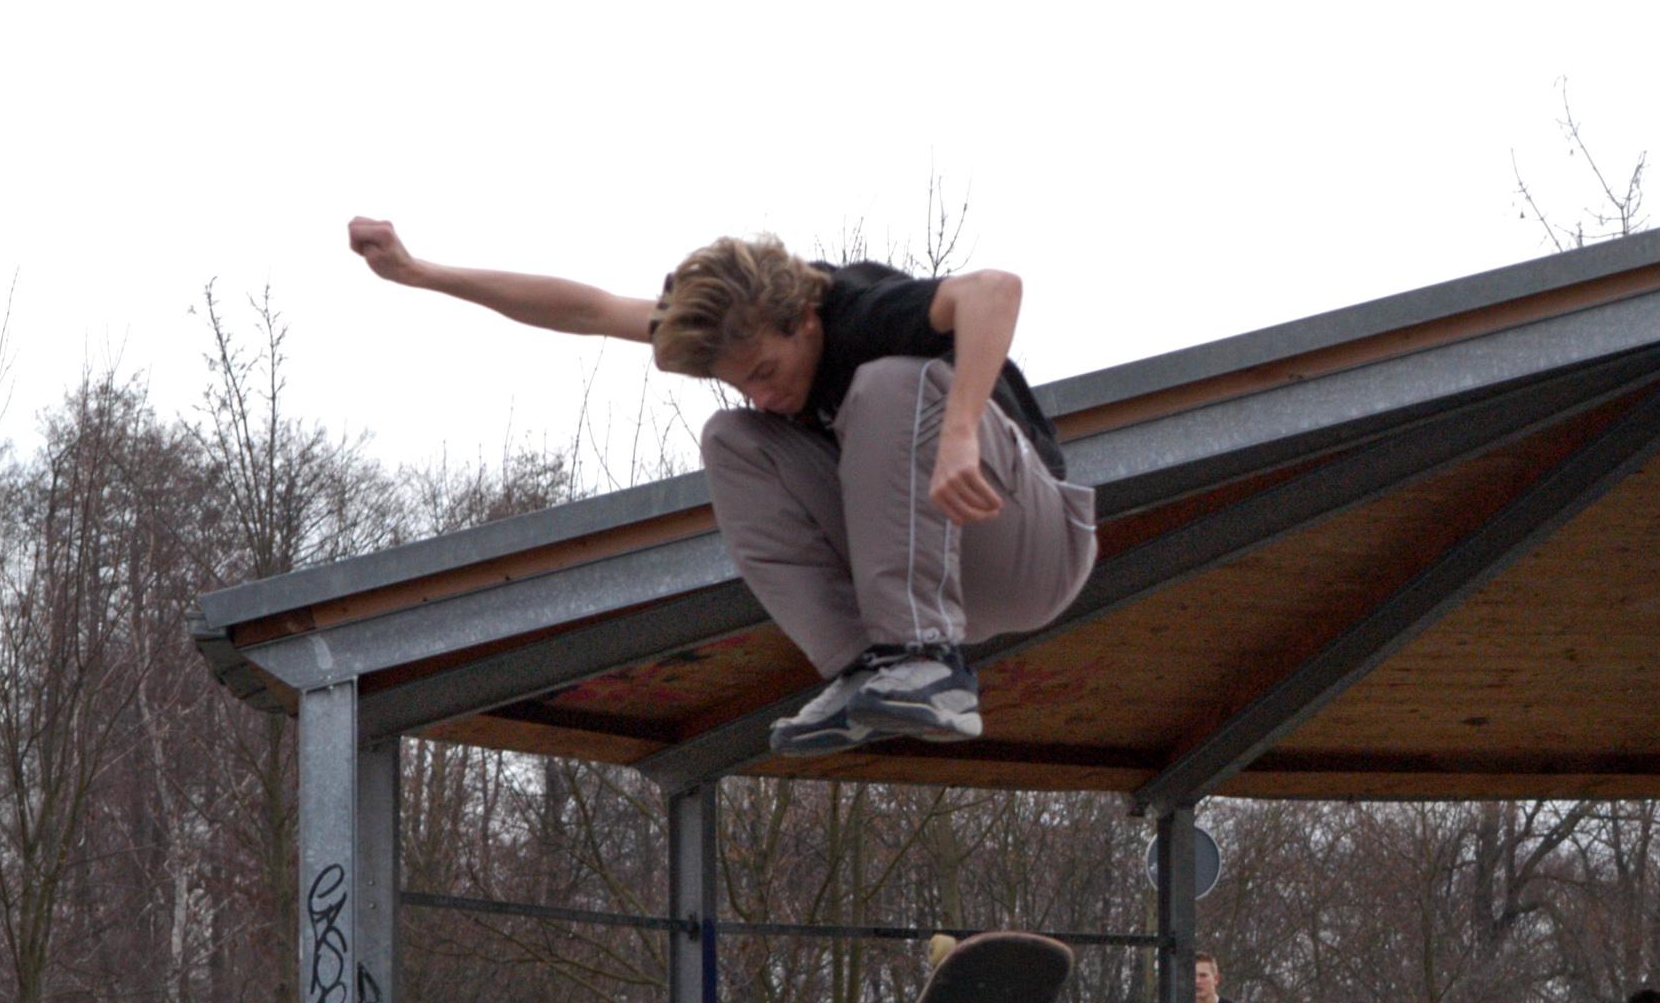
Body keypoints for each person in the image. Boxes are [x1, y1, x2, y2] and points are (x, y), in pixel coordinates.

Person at [345, 218, 1097, 752]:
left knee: (889, 385)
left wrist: (962, 427)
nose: (764, 394)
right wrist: (421, 273)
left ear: (804, 320)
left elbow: (993, 290)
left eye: (766, 372)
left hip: (1030, 541)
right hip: (934, 558)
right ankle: (865, 672)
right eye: (740, 381)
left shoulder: (860, 311)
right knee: (732, 441)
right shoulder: (740, 347)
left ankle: (922, 662)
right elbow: (590, 308)